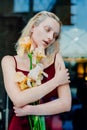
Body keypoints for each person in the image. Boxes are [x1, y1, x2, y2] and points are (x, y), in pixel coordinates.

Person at [1, 11, 71, 130]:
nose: (50, 38)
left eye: (55, 36)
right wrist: (56, 81)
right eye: (47, 29)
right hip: (19, 126)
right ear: (33, 27)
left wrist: (31, 110)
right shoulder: (9, 61)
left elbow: (66, 104)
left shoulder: (56, 58)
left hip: (48, 126)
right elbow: (18, 99)